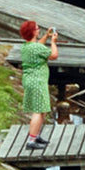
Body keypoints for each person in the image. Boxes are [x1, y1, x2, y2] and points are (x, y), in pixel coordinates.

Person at [19, 20, 59, 149]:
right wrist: (53, 42)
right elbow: (54, 55)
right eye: (37, 28)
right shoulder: (36, 48)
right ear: (33, 32)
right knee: (37, 110)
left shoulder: (26, 46)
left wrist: (46, 36)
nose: (38, 29)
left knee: (41, 109)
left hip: (30, 80)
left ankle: (36, 136)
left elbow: (38, 46)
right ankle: (31, 141)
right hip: (37, 81)